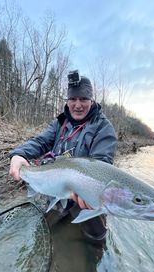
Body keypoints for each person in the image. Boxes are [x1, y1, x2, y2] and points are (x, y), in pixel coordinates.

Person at [9, 70, 117, 245]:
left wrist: (91, 191)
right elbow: (40, 142)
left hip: (86, 194)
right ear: (67, 101)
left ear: (92, 100)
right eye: (73, 99)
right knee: (46, 233)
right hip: (58, 189)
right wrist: (18, 154)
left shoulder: (103, 127)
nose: (78, 104)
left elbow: (101, 164)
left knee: (96, 240)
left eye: (83, 99)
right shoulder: (60, 122)